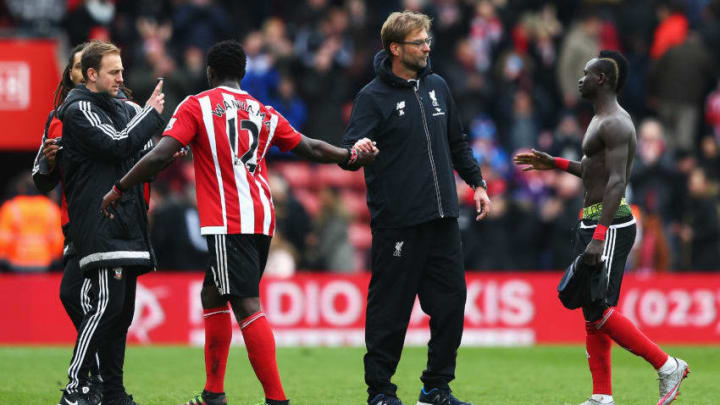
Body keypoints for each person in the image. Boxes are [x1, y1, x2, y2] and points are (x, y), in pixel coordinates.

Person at [100, 39, 377, 405]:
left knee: (246, 303)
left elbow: (163, 153)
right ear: (242, 74)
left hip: (229, 218)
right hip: (261, 214)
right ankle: (213, 394)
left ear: (210, 72)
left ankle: (277, 400)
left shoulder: (197, 105)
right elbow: (308, 146)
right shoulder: (262, 111)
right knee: (212, 294)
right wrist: (349, 156)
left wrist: (120, 186)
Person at [513, 50, 690, 405]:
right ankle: (602, 396)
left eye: (585, 73)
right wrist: (556, 163)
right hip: (593, 220)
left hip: (608, 224)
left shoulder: (617, 123)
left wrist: (598, 236)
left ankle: (666, 364)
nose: (579, 79)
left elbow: (615, 184)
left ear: (602, 80)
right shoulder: (599, 119)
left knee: (599, 309)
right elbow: (591, 170)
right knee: (591, 309)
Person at [339, 11, 490, 405]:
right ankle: (381, 392)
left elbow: (457, 141)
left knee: (451, 304)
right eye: (419, 42)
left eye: (427, 40)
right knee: (390, 311)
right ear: (395, 48)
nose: (427, 47)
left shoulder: (438, 86)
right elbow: (351, 150)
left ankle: (436, 387)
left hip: (442, 218)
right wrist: (360, 151)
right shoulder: (372, 97)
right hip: (398, 223)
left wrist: (477, 183)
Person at [55, 40, 166, 405]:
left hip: (129, 223)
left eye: (121, 69)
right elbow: (118, 144)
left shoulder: (121, 108)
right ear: (91, 75)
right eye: (113, 71)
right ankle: (76, 386)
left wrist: (170, 148)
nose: (121, 77)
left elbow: (141, 154)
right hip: (101, 224)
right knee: (104, 308)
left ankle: (113, 392)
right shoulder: (78, 109)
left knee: (121, 315)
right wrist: (149, 114)